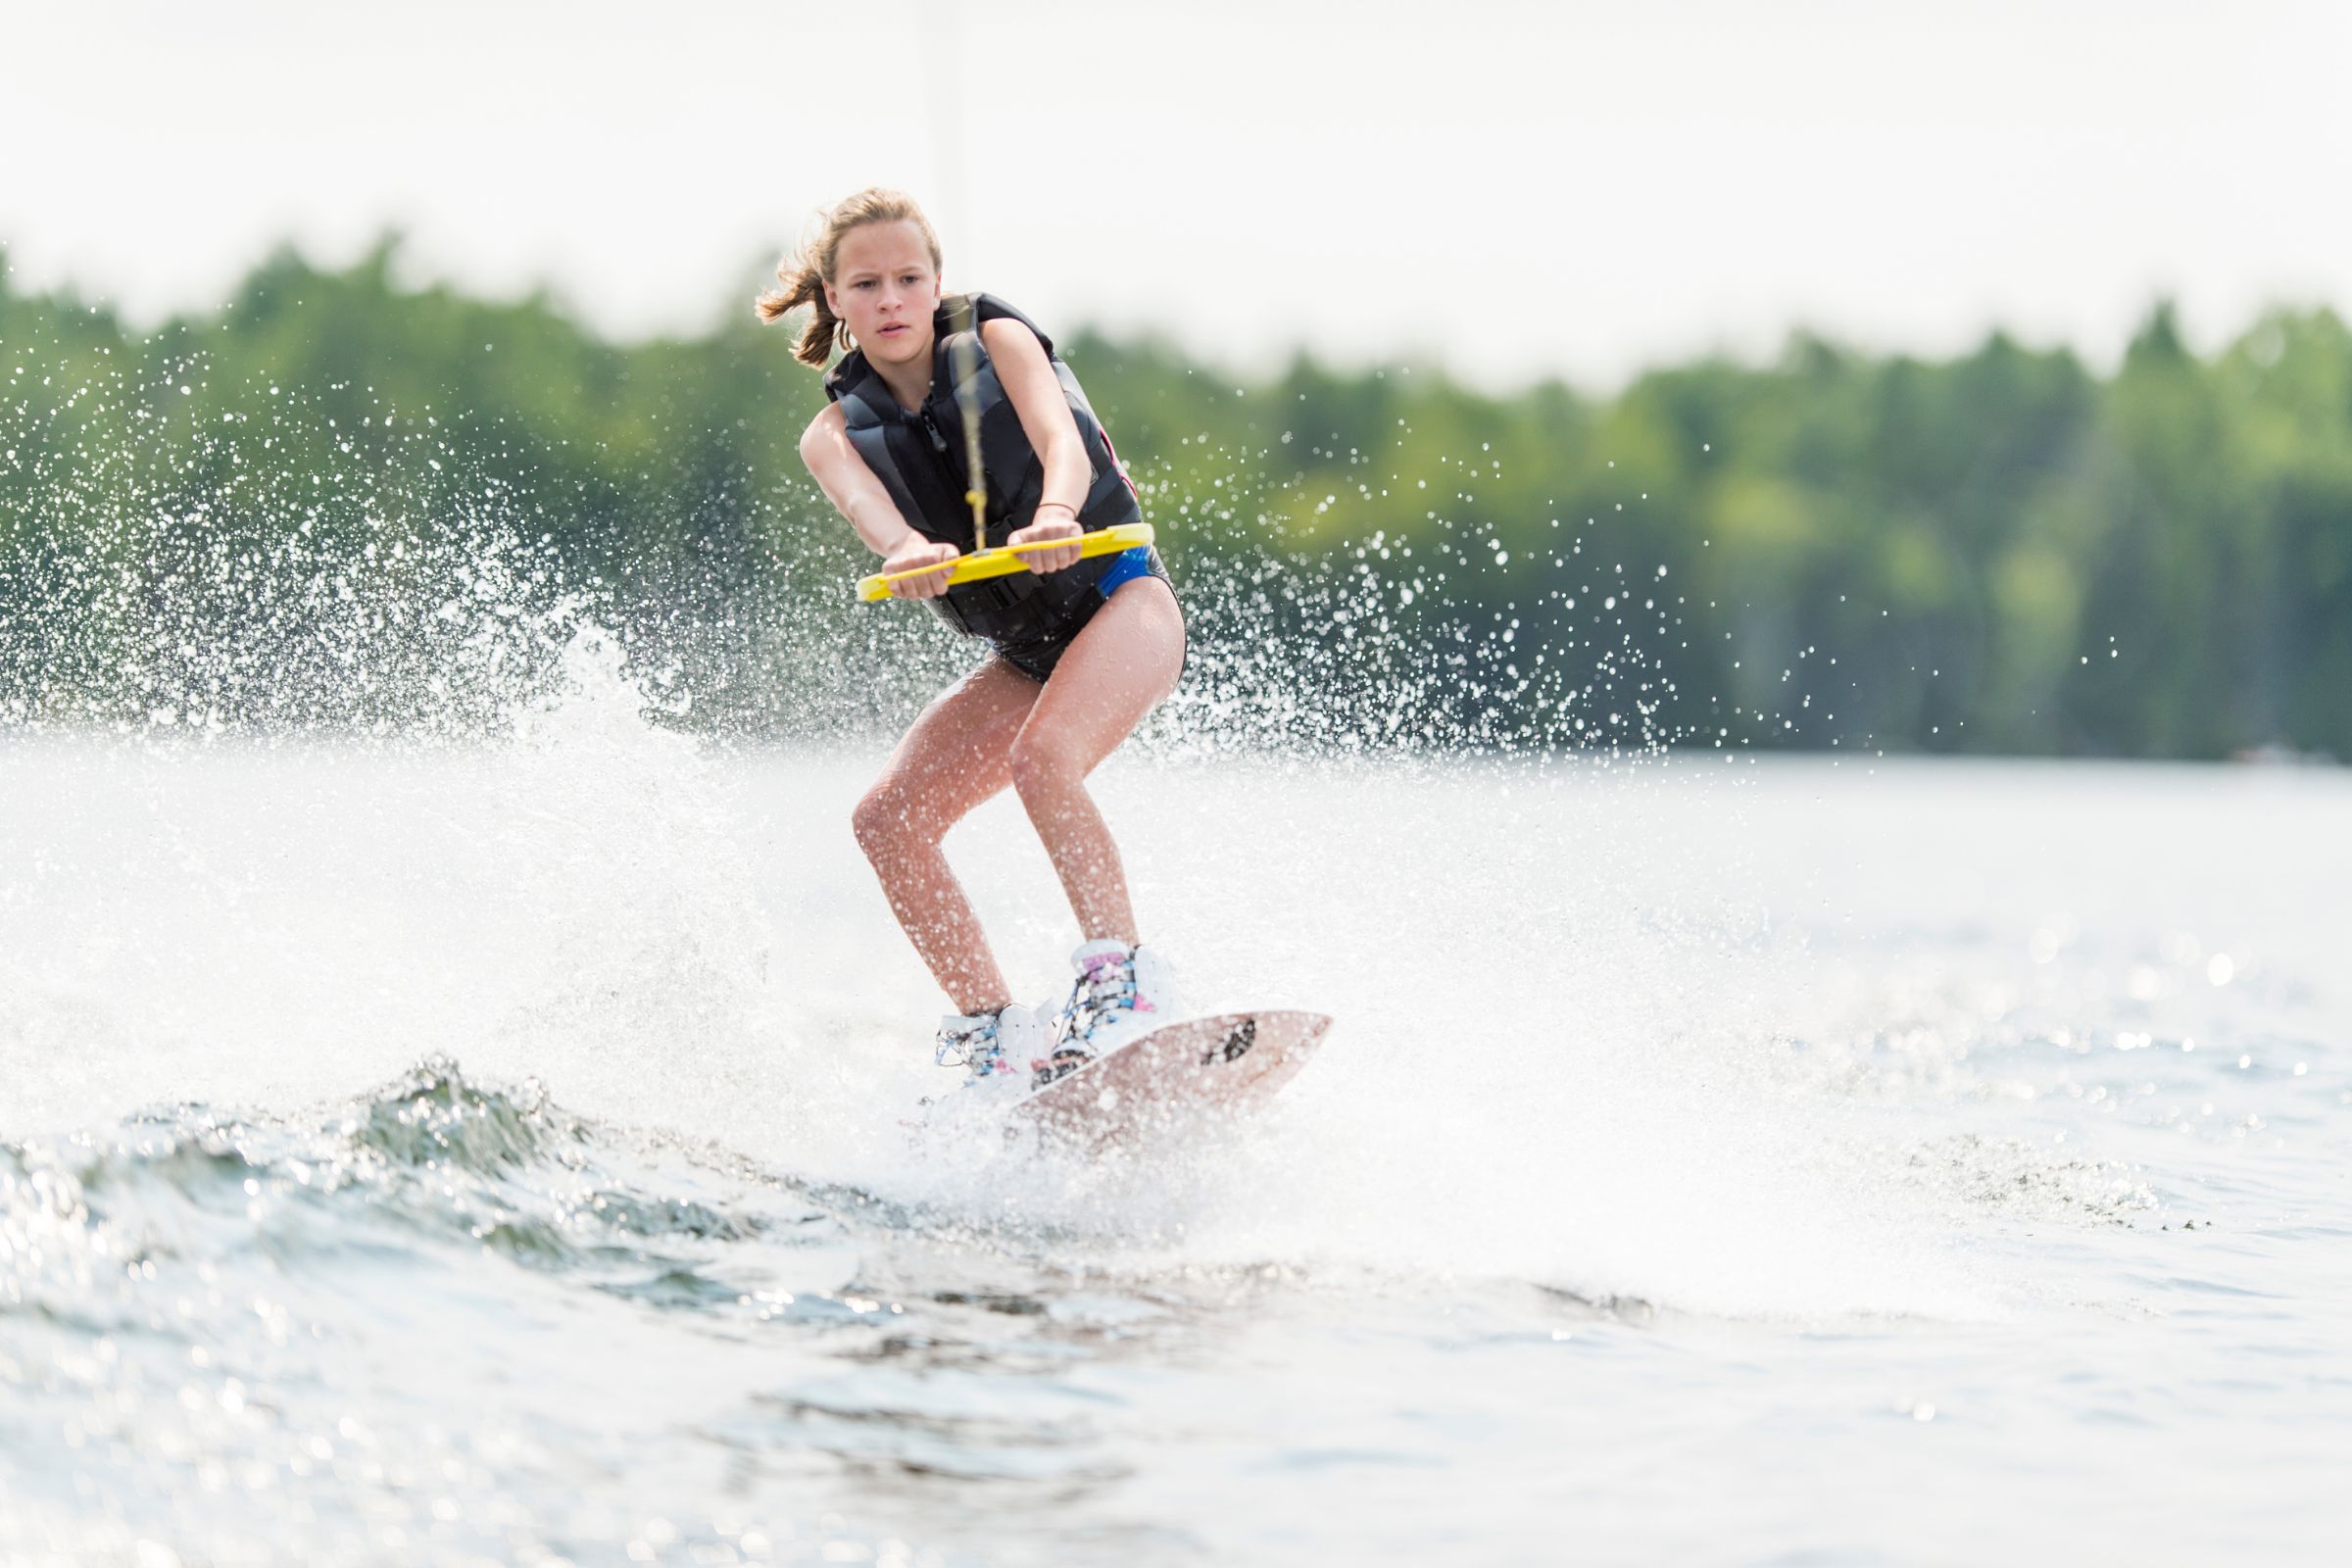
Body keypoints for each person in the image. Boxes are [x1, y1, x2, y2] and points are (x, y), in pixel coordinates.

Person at [762, 188, 1188, 1093]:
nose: (891, 299)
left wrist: (1059, 512)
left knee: (1045, 759)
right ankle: (998, 1037)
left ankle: (1126, 985)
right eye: (867, 283)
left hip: (1122, 600)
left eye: (909, 278)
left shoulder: (998, 341)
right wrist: (908, 550)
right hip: (1029, 655)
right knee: (886, 823)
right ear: (835, 300)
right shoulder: (834, 433)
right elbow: (874, 511)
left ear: (937, 283)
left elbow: (1058, 441)